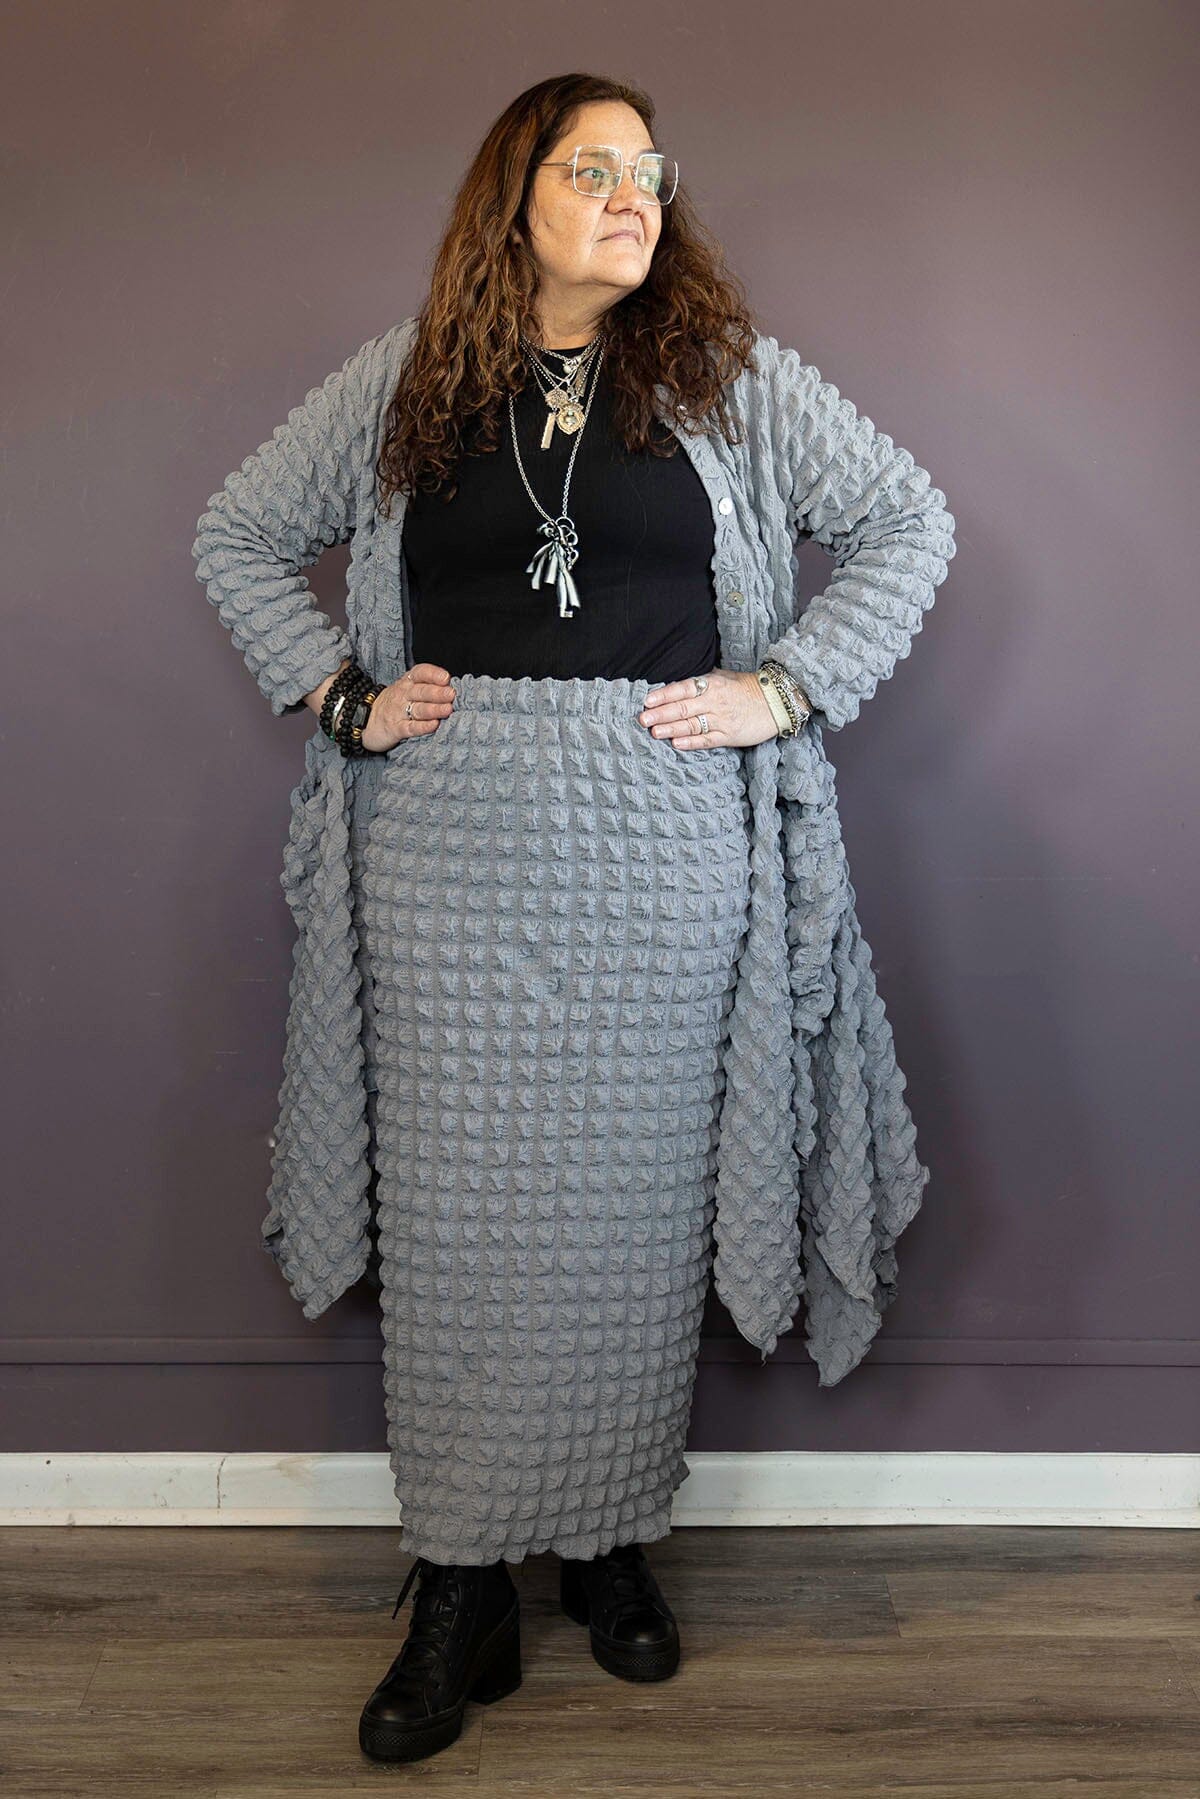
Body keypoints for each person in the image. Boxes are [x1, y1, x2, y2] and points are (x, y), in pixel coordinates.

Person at [191, 73, 955, 1767]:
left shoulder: (720, 380)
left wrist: (784, 686)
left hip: (663, 851)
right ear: (511, 198)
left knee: (635, 1211)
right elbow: (239, 534)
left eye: (648, 171)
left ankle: (610, 1540)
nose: (631, 195)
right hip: (447, 855)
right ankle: (458, 1580)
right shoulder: (406, 386)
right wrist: (344, 697)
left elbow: (911, 520)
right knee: (459, 1224)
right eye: (590, 168)